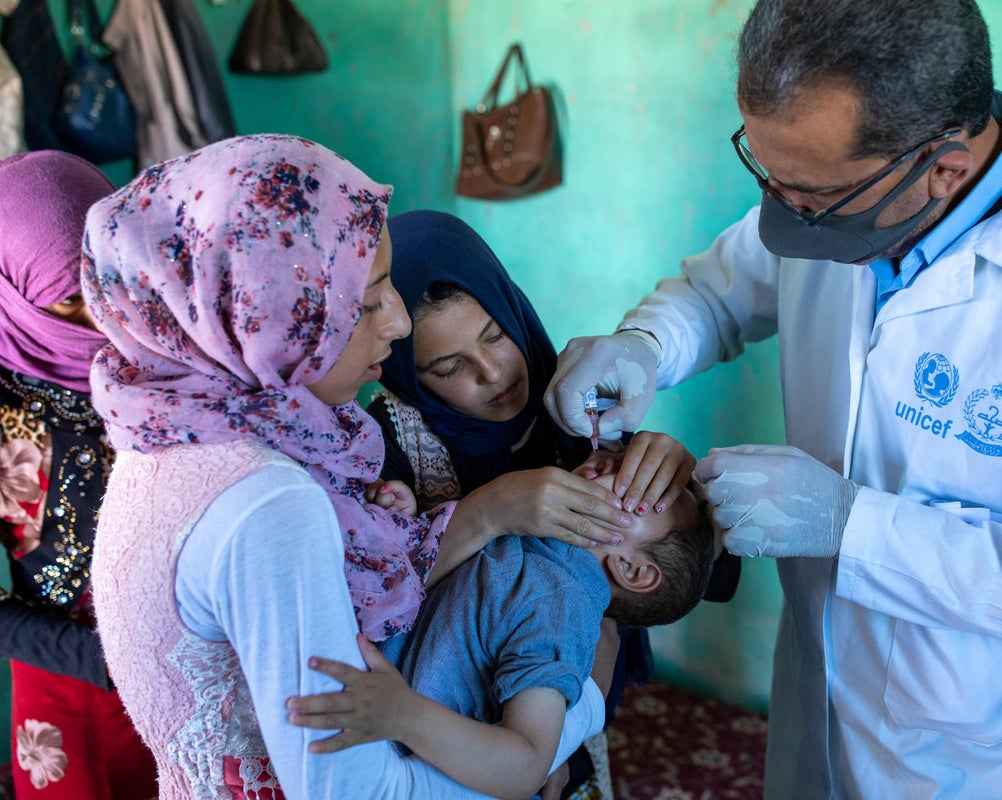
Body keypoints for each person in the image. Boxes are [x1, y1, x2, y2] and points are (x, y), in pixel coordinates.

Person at [543, 0, 1002, 797]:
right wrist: (644, 345)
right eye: (768, 178)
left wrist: (857, 528)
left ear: (944, 169)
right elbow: (721, 289)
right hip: (814, 704)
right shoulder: (835, 185)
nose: (785, 213)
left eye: (811, 199)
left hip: (983, 761)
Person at [81, 134, 608, 799]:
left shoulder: (161, 434)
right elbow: (351, 789)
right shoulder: (271, 501)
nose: (395, 324)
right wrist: (576, 713)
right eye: (364, 303)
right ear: (265, 317)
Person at [363, 209, 741, 799]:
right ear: (407, 374)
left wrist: (683, 479)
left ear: (513, 306)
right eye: (449, 366)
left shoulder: (577, 394)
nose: (493, 373)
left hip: (561, 708)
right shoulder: (374, 445)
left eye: (495, 335)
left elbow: (690, 573)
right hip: (446, 738)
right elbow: (361, 597)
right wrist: (490, 511)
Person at [286, 450, 718, 800]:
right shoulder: (526, 543)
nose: (612, 462)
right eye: (621, 456)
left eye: (637, 489)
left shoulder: (558, 604)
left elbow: (527, 763)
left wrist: (404, 715)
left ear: (632, 569)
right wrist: (402, 523)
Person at [0, 151, 157, 800]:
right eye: (67, 302)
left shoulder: (174, 365)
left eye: (106, 289)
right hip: (56, 675)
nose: (96, 324)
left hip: (183, 668)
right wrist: (93, 658)